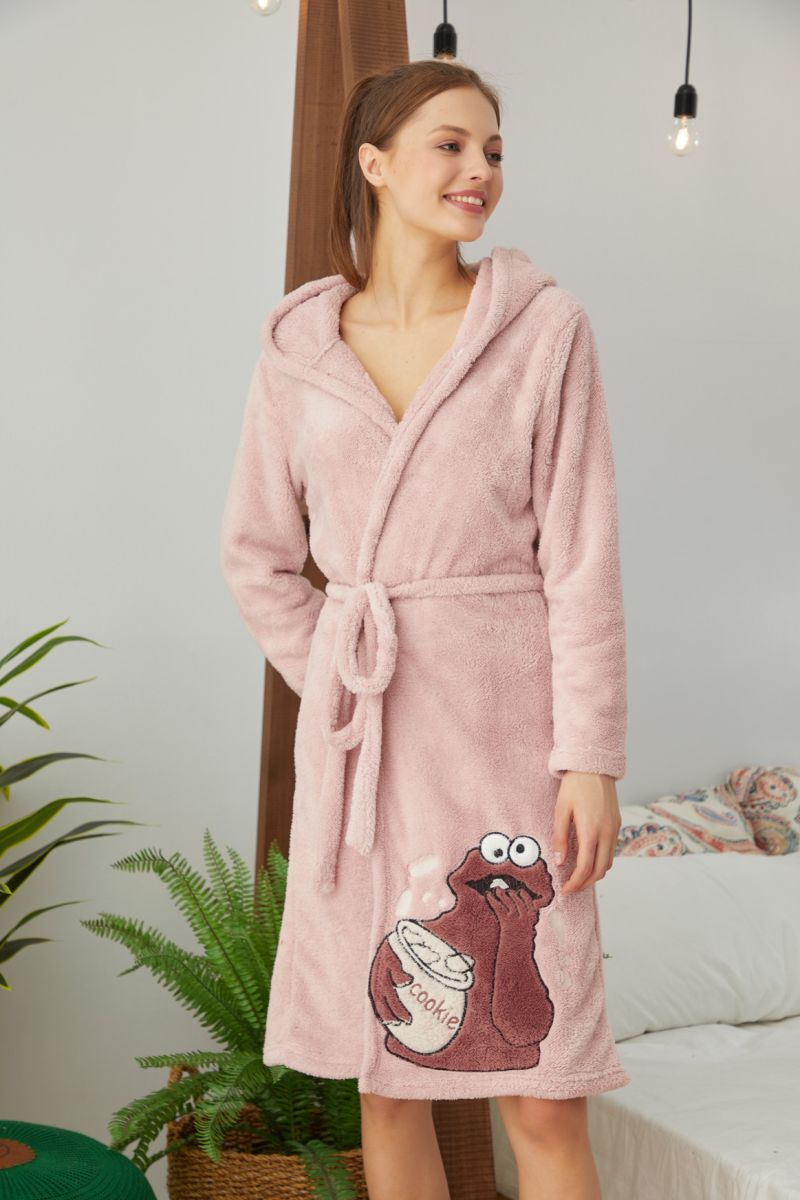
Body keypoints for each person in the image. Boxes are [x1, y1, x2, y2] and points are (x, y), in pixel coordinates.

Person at [220, 58, 629, 1200]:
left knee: (541, 1090)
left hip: (511, 743)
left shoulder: (542, 331)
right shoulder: (300, 351)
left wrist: (590, 757)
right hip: (369, 755)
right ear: (374, 162)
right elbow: (256, 556)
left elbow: (583, 561)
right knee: (388, 1081)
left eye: (491, 150)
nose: (478, 170)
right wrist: (338, 679)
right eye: (449, 145)